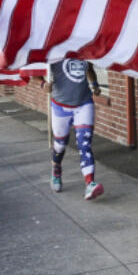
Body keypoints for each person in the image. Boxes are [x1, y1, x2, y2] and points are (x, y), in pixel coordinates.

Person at [47, 58, 104, 200]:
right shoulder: (54, 51)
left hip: (84, 103)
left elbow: (89, 68)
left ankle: (90, 183)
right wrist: (43, 83)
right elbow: (34, 70)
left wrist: (95, 84)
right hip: (60, 105)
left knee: (84, 144)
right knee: (60, 145)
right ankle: (56, 169)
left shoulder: (81, 47)